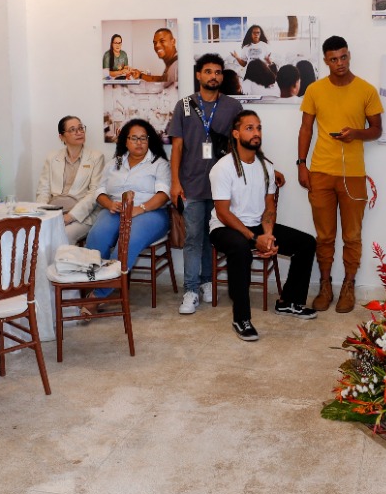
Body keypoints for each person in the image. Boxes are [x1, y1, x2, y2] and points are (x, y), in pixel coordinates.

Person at [209, 111, 316, 340]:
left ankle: (289, 302)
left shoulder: (265, 166)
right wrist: (253, 238)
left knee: (306, 243)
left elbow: (269, 206)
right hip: (224, 227)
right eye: (249, 128)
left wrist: (267, 236)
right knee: (240, 249)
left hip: (257, 226)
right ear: (236, 134)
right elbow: (223, 212)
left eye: (258, 128)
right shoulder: (223, 167)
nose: (256, 133)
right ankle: (241, 318)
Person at [297, 36, 382, 313]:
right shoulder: (315, 90)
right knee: (324, 236)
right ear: (326, 61)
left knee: (352, 236)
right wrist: (301, 164)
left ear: (349, 55)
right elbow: (306, 129)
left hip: (353, 175)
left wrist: (356, 133)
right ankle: (324, 284)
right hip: (320, 171)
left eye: (343, 57)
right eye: (333, 59)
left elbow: (377, 130)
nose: (340, 63)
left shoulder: (366, 90)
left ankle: (348, 285)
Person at [166, 55, 243, 314]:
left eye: (218, 72)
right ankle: (190, 289)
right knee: (193, 238)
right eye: (208, 71)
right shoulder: (184, 105)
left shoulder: (233, 107)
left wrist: (267, 167)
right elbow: (176, 147)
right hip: (191, 183)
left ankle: (207, 281)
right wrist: (175, 182)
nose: (214, 76)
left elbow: (242, 144)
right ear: (198, 75)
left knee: (212, 238)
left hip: (222, 186)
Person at [85, 119, 171, 298]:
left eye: (143, 138)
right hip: (116, 209)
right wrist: (109, 204)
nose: (139, 143)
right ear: (126, 141)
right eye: (134, 138)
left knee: (127, 239)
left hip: (151, 212)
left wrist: (141, 208)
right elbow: (99, 191)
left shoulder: (159, 164)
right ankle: (95, 282)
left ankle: (99, 295)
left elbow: (164, 195)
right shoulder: (114, 163)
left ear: (149, 140)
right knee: (96, 236)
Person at [35, 116, 106, 243]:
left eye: (80, 128)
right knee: (35, 234)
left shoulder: (96, 157)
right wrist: (44, 214)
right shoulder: (52, 157)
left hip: (82, 215)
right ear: (62, 137)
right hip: (54, 211)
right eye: (72, 130)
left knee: (63, 235)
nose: (79, 132)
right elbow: (43, 190)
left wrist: (70, 217)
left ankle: (66, 262)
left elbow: (94, 193)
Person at [131, 27, 179, 91]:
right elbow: (162, 80)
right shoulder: (171, 63)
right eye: (155, 43)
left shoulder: (177, 66)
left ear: (173, 42)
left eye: (162, 41)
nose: (157, 45)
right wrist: (140, 75)